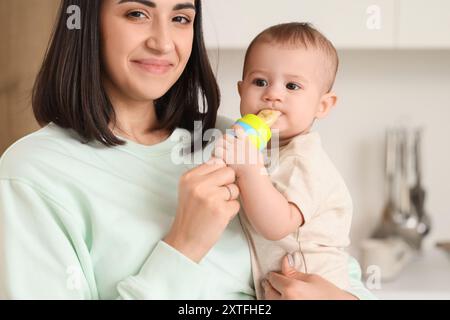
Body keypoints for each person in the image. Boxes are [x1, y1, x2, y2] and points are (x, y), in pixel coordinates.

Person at [0, 0, 374, 300]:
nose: (163, 42)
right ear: (86, 23)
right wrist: (184, 245)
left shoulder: (238, 141)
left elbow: (334, 263)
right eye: (137, 13)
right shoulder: (32, 174)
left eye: (180, 17)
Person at [213, 23, 356, 299]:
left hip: (310, 284)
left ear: (322, 105)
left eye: (292, 85)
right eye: (260, 82)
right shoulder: (262, 149)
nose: (272, 95)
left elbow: (277, 225)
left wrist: (247, 168)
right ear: (241, 91)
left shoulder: (304, 159)